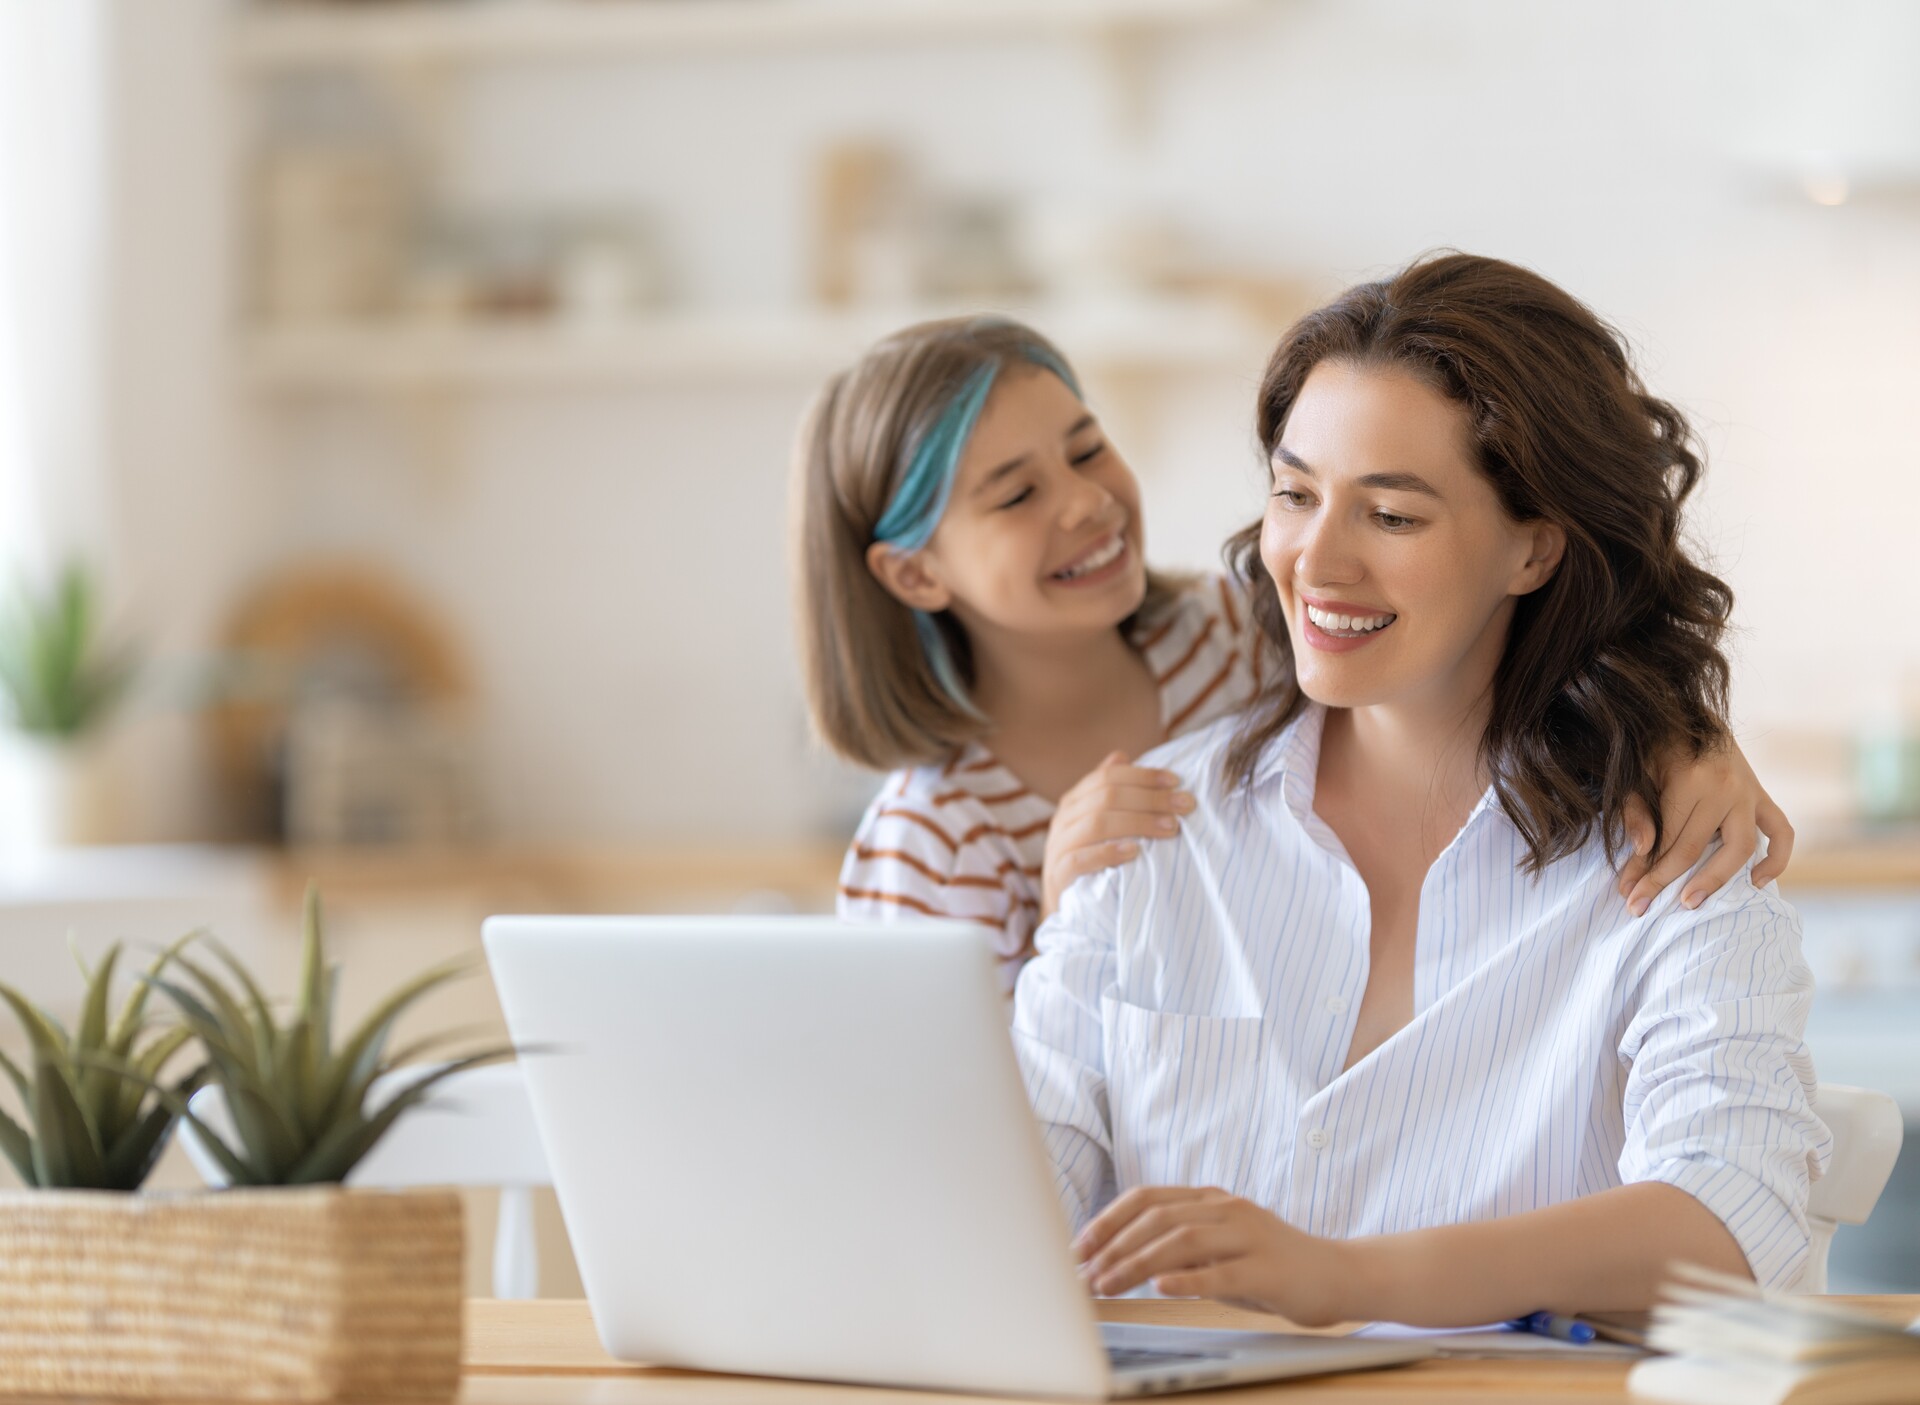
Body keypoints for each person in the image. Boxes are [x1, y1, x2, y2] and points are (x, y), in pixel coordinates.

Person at [1012, 254, 1831, 1327]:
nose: (1317, 561)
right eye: (1296, 495)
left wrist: (1349, 1276)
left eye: (1392, 517)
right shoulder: (1155, 825)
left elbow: (1738, 1218)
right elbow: (1016, 1190)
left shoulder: (1674, 843)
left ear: (1533, 548)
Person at [790, 315, 1794, 992]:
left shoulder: (1242, 638)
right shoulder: (933, 838)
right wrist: (1070, 921)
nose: (1086, 502)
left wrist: (1680, 733)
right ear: (915, 575)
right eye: (1016, 495)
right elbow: (937, 1142)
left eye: (1087, 447)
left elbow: (1506, 653)